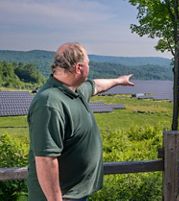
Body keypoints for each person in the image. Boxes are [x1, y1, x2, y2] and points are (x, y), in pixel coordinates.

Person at [27, 42, 134, 201]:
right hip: (62, 197)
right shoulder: (49, 103)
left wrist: (119, 80)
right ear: (79, 68)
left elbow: (96, 85)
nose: (89, 67)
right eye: (88, 63)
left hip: (76, 193)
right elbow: (45, 159)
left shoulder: (74, 90)